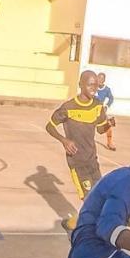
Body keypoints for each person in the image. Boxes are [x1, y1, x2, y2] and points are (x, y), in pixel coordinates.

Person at [46, 71, 112, 230]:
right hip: (77, 162)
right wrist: (64, 140)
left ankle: (73, 223)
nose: (94, 88)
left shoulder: (97, 106)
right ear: (81, 85)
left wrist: (109, 124)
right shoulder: (68, 107)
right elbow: (49, 126)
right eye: (90, 85)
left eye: (96, 85)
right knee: (89, 198)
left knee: (100, 196)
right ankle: (87, 229)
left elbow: (101, 129)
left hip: (92, 160)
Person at [95, 71, 117, 150]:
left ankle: (110, 143)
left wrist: (106, 106)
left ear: (104, 80)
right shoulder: (92, 87)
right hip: (91, 110)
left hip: (101, 111)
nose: (100, 80)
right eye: (98, 78)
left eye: (102, 79)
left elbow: (111, 98)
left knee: (109, 126)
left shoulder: (107, 89)